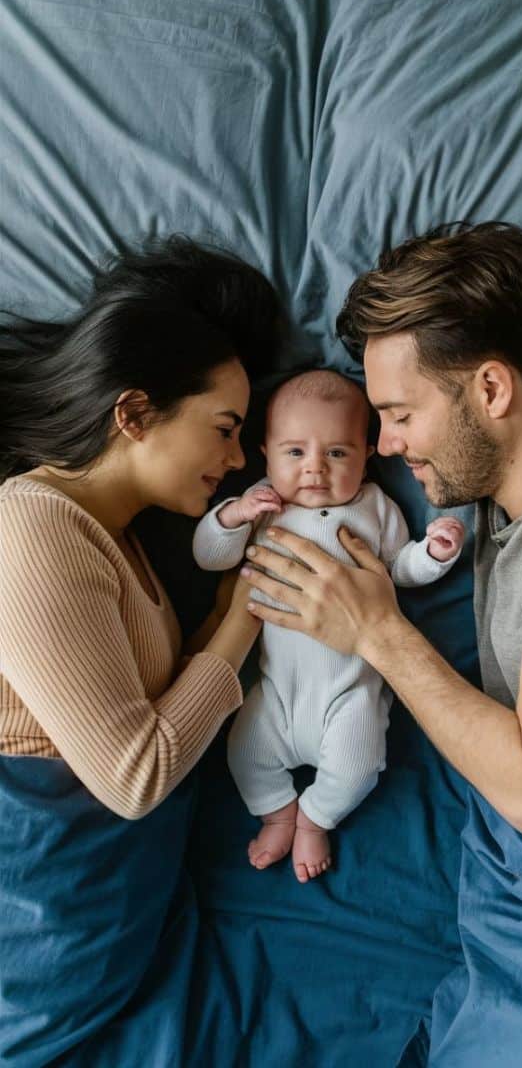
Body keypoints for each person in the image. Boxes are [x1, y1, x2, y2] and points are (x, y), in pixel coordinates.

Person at [234, 222, 522, 1063]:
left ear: (491, 389)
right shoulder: (483, 503)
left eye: (399, 415)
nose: (390, 448)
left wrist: (375, 630)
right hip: (497, 928)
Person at [0, 237, 277, 1060]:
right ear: (134, 413)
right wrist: (244, 616)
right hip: (41, 907)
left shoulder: (118, 541)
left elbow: (151, 703)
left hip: (122, 913)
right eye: (225, 430)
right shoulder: (31, 525)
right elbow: (133, 775)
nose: (236, 461)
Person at [193, 368, 464, 881]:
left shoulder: (374, 509)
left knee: (360, 763)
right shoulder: (262, 506)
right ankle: (277, 813)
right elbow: (208, 557)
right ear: (266, 454)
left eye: (337, 453)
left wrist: (433, 552)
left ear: (365, 455)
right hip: (274, 691)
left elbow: (398, 570)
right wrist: (231, 517)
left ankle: (316, 818)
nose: (315, 468)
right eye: (294, 453)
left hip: (349, 693)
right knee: (242, 751)